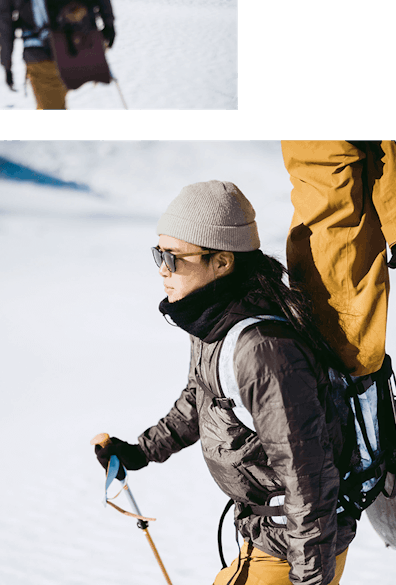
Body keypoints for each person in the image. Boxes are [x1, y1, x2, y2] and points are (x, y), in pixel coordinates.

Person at [94, 181, 354, 585]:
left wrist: (309, 579)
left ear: (222, 262)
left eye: (173, 257)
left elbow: (308, 474)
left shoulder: (263, 350)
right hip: (265, 536)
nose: (163, 268)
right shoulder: (214, 322)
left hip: (295, 552)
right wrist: (141, 451)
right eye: (157, 253)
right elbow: (202, 397)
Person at [281, 141, 396, 378]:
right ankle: (356, 389)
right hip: (347, 240)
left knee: (316, 332)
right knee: (353, 355)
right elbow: (382, 157)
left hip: (306, 237)